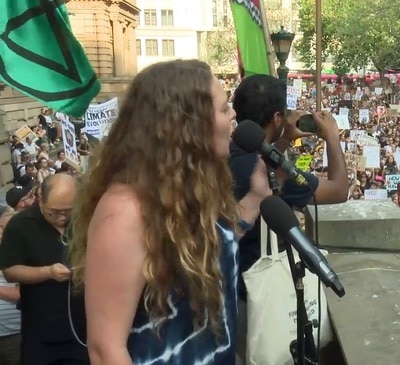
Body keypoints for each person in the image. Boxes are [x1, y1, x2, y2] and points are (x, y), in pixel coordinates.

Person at [68, 60, 271, 364]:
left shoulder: (193, 192)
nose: (234, 116)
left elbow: (203, 250)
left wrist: (256, 199)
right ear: (188, 124)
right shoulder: (123, 213)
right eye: (223, 108)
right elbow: (105, 349)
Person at [228, 74, 348, 360]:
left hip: (227, 291)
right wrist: (331, 136)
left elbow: (263, 167)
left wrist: (281, 141)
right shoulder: (268, 171)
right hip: (258, 298)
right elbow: (339, 189)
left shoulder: (226, 154)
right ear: (278, 117)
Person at [0, 174, 88, 364]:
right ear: (41, 199)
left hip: (83, 326)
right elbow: (10, 271)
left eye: (68, 211)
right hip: (41, 329)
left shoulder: (85, 220)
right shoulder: (20, 225)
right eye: (55, 212)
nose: (62, 217)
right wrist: (47, 272)